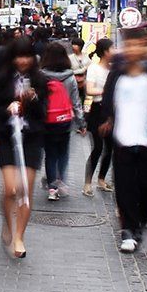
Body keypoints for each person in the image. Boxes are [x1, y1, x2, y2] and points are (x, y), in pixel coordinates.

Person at [101, 30, 147, 255]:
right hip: (123, 138)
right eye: (130, 45)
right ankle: (127, 230)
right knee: (124, 185)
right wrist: (107, 120)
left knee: (145, 186)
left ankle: (141, 223)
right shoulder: (117, 74)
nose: (134, 49)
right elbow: (107, 100)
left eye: (139, 45)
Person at [0, 41, 49, 259]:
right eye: (19, 56)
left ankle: (19, 236)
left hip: (32, 138)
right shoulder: (1, 79)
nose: (23, 61)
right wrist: (7, 110)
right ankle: (8, 223)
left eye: (27, 56)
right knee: (10, 189)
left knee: (25, 188)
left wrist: (33, 100)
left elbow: (43, 112)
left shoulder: (40, 80)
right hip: (8, 138)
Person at [39, 42, 84, 202]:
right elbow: (76, 101)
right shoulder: (70, 77)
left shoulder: (41, 75)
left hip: (47, 120)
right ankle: (61, 181)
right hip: (65, 121)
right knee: (63, 153)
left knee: (50, 154)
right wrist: (81, 123)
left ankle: (52, 188)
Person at [81, 38, 114, 195]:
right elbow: (90, 90)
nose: (115, 51)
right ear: (105, 52)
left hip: (112, 111)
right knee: (98, 147)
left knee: (110, 147)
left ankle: (101, 179)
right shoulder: (94, 68)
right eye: (112, 48)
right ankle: (87, 183)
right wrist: (106, 92)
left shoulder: (114, 69)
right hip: (97, 110)